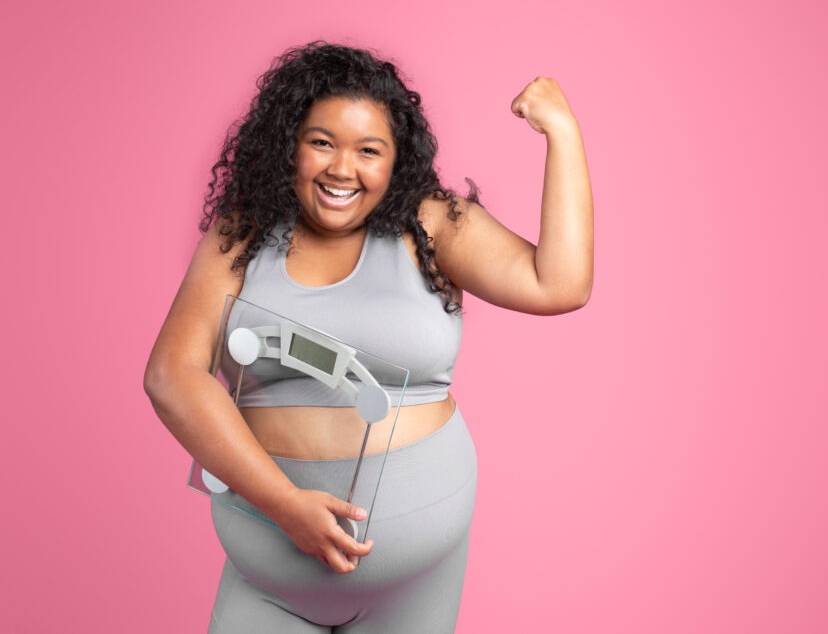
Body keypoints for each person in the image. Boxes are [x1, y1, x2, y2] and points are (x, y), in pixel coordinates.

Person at [144, 42, 593, 633]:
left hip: (411, 584)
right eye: (322, 142)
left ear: (395, 160)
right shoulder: (242, 233)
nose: (342, 169)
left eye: (369, 151)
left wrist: (562, 133)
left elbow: (558, 284)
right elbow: (171, 374)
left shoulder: (431, 224)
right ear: (289, 144)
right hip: (269, 576)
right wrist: (285, 505)